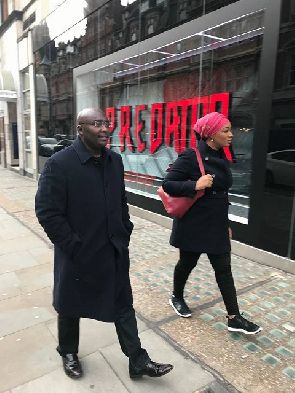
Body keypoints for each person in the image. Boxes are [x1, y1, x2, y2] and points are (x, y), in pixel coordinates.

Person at [35, 107, 173, 380]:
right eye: (96, 123)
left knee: (123, 302)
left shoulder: (114, 161)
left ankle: (137, 359)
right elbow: (47, 211)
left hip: (113, 249)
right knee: (69, 303)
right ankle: (68, 351)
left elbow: (121, 199)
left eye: (106, 123)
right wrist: (72, 245)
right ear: (80, 129)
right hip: (78, 252)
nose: (104, 128)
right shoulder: (60, 164)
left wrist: (125, 229)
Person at [162, 112, 262, 335]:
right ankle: (176, 296)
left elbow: (221, 195)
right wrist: (195, 185)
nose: (231, 135)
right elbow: (168, 184)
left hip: (215, 225)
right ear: (210, 135)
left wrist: (225, 223)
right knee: (186, 264)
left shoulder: (221, 156)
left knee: (224, 270)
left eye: (230, 130)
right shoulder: (190, 156)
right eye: (225, 130)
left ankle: (234, 317)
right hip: (193, 225)